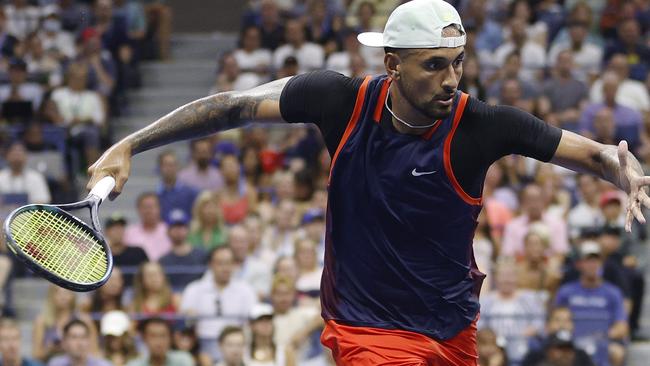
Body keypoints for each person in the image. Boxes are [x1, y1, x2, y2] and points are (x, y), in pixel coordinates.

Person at [87, 0, 650, 363]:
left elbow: (592, 153)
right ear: (392, 65)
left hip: (452, 329)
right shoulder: (338, 100)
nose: (451, 78)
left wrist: (620, 168)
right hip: (366, 329)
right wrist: (129, 143)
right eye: (434, 64)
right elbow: (231, 105)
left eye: (457, 62)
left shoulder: (483, 125)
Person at [555, 242, 628, 366]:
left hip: (603, 341)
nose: (592, 265)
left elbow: (622, 327)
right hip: (571, 341)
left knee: (617, 352)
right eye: (588, 261)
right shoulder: (566, 292)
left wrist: (601, 335)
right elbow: (555, 321)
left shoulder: (612, 293)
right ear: (579, 264)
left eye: (595, 261)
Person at [179, 246, 257, 361]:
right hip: (203, 342)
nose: (225, 268)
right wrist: (190, 316)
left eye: (229, 263)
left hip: (237, 343)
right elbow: (185, 322)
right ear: (210, 265)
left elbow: (252, 321)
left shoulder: (246, 290)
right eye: (220, 263)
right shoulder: (194, 289)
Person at [159, 209, 208, 291]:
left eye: (182, 226)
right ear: (168, 231)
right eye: (174, 227)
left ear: (188, 229)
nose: (178, 230)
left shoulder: (201, 255)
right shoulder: (163, 261)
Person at [103, 213, 149, 287]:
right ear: (106, 232)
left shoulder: (138, 252)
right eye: (114, 228)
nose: (118, 231)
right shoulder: (101, 256)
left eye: (121, 228)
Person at [125, 318, 193, 366]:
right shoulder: (134, 364)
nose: (158, 342)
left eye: (163, 336)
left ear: (170, 338)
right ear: (144, 338)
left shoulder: (183, 360)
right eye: (153, 336)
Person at [124, 192, 171, 261]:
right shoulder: (129, 232)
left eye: (152, 207)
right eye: (145, 207)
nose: (148, 211)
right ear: (138, 209)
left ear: (159, 208)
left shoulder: (169, 231)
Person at [156, 150, 199, 225]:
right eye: (166, 165)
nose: (169, 168)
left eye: (172, 165)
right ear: (160, 167)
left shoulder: (191, 193)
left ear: (178, 167)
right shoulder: (156, 195)